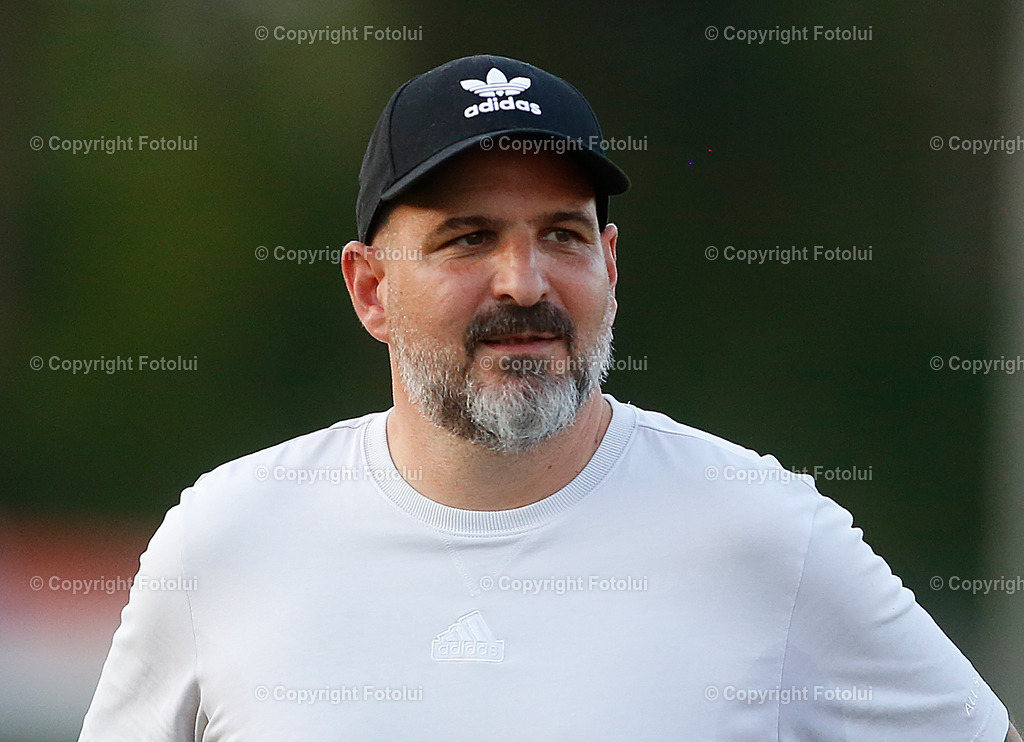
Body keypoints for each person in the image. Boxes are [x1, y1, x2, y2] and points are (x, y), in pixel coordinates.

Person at [78, 53, 1019, 741]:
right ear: (370, 289)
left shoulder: (767, 534)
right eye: (467, 238)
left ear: (610, 266)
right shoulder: (228, 536)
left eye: (562, 235)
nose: (523, 282)